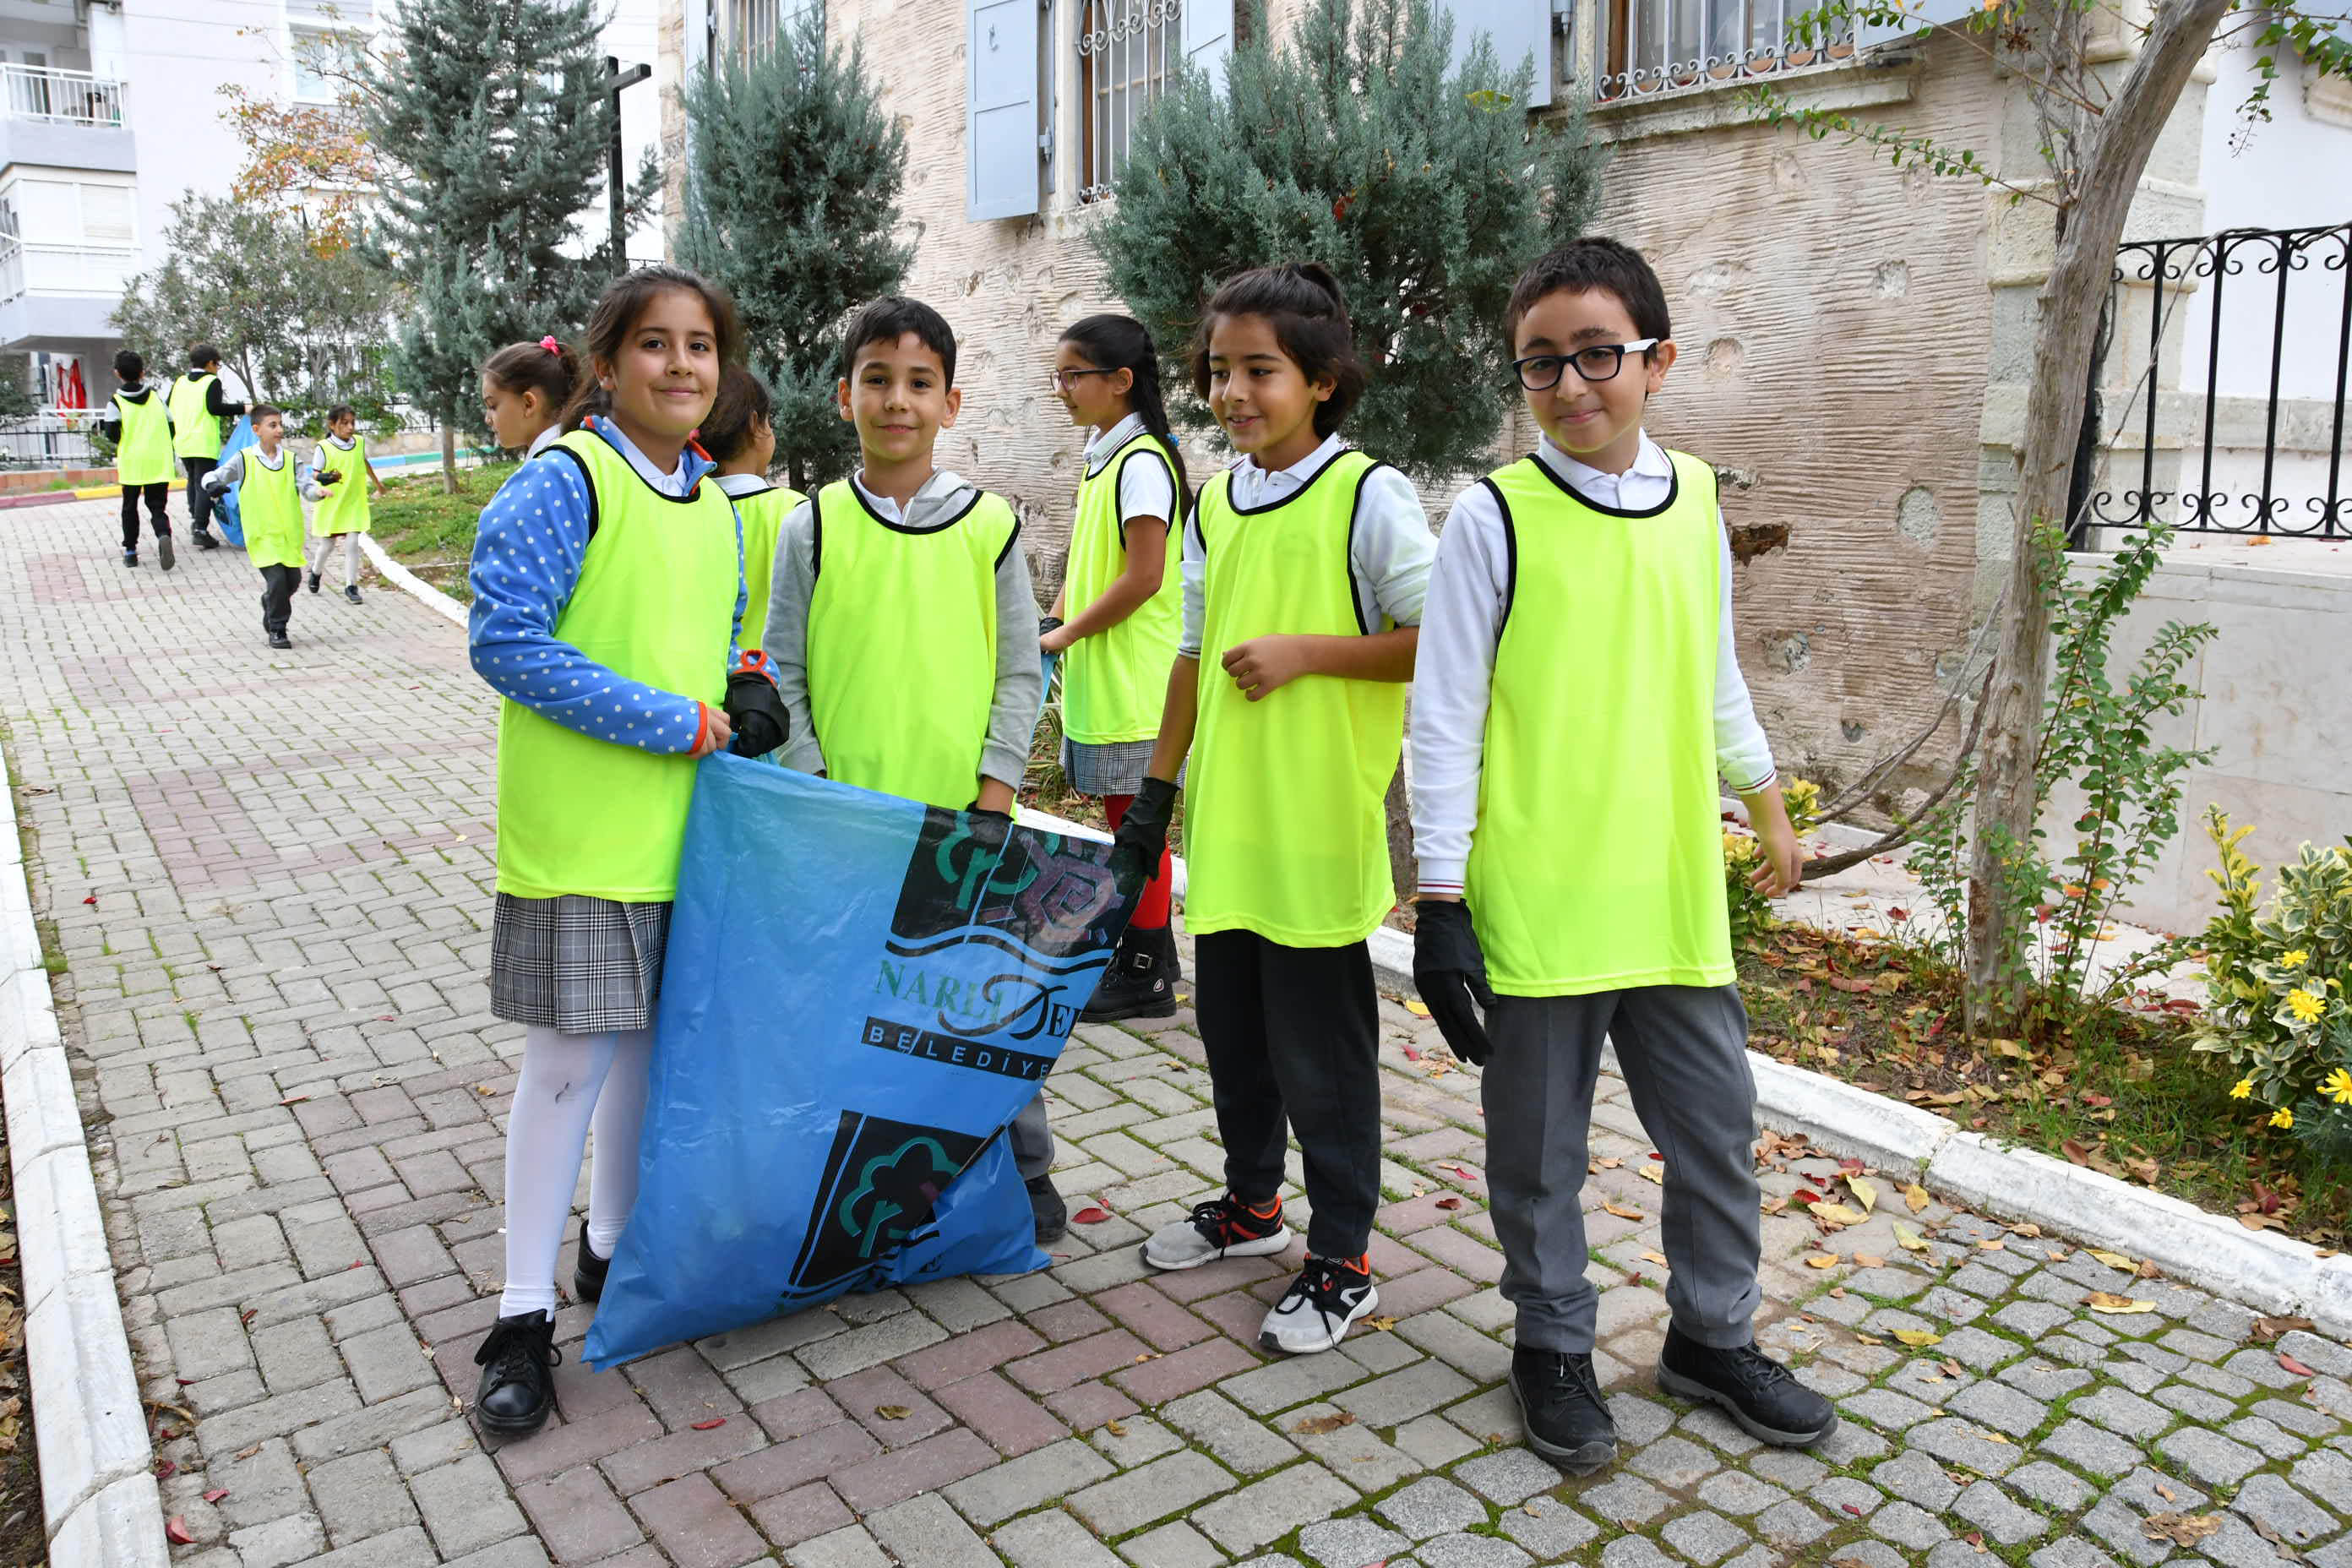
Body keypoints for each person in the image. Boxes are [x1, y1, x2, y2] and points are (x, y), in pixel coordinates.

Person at [1407, 237, 1834, 1472]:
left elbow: (1712, 670)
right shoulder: (1493, 516)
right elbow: (1443, 719)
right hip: (1539, 897)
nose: (1572, 384)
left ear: (1658, 360)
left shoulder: (1695, 498)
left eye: (1599, 353)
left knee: (1714, 1130)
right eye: (1541, 363)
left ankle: (1711, 1336)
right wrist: (1442, 901)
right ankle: (1550, 1346)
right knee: (1538, 1154)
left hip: (1667, 886)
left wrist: (1767, 805)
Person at [462, 265, 787, 1441]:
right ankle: (518, 1317)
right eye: (657, 345)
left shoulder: (712, 500)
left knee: (645, 1064)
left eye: (702, 345)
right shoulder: (567, 480)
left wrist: (745, 690)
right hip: (582, 838)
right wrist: (675, 719)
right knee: (566, 1070)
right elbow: (505, 642)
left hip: (680, 840)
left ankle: (609, 1250)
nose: (683, 366)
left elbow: (719, 642)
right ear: (607, 363)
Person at [1111, 264, 1435, 1356]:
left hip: (1318, 835)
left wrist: (1310, 655)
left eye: (1261, 370)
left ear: (1324, 382)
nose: (1234, 392)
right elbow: (1193, 657)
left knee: (1325, 1062)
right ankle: (1253, 1208)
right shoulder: (1214, 501)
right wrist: (1154, 804)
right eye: (1219, 371)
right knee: (1233, 1040)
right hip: (1233, 836)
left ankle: (1340, 1259)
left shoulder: (1366, 496)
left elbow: (1443, 642)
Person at [761, 297, 1044, 1229]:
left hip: (961, 823)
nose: (898, 400)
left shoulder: (990, 525)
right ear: (845, 397)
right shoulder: (813, 526)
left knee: (973, 1006)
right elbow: (783, 668)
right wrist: (816, 786)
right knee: (852, 1005)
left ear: (952, 402)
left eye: (919, 382)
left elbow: (1018, 667)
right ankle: (854, 1183)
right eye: (877, 380)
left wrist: (995, 792)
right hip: (843, 824)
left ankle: (1023, 1170)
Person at [1042, 314, 1188, 1022]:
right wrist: (1056, 616)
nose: (1062, 390)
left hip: (1140, 679)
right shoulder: (1105, 456)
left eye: (1074, 375)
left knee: (1138, 823)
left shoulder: (1142, 463)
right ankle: (1153, 949)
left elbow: (1146, 576)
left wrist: (1064, 633)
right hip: (1109, 675)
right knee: (1122, 817)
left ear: (1121, 382)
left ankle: (1144, 973)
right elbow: (1085, 557)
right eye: (1060, 375)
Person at [699, 364, 803, 672]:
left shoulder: (681, 511)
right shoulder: (796, 512)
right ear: (756, 424)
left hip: (699, 699)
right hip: (775, 695)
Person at [200, 405, 329, 649]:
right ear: (257, 429)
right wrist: (211, 487)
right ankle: (278, 629)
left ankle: (270, 601)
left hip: (288, 535)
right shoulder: (244, 459)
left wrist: (319, 492)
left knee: (292, 581)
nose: (279, 429)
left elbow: (307, 488)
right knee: (278, 580)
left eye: (280, 424)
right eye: (273, 425)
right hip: (261, 535)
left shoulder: (291, 460)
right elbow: (212, 476)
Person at [100, 349, 177, 571]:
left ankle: (131, 551)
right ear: (143, 373)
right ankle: (163, 534)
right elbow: (171, 425)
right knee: (157, 506)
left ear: (117, 373)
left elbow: (112, 434)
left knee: (129, 507)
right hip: (158, 460)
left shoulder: (115, 402)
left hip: (133, 461)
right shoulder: (156, 398)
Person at [168, 345, 247, 549]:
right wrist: (244, 408)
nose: (218, 368)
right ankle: (201, 530)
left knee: (193, 482)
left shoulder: (180, 382)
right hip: (202, 442)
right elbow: (215, 408)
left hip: (183, 441)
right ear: (210, 363)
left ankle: (196, 521)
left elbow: (169, 408)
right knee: (205, 484)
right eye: (217, 364)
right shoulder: (212, 381)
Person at [307, 405, 387, 603]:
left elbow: (364, 463)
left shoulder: (358, 442)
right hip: (332, 502)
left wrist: (378, 484)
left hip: (354, 501)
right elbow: (315, 473)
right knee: (327, 544)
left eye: (352, 423)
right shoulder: (323, 447)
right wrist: (326, 477)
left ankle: (351, 586)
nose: (350, 427)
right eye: (344, 423)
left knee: (352, 543)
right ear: (332, 425)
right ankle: (316, 572)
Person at [481, 335, 580, 462]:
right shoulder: (574, 451)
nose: (487, 419)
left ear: (528, 404)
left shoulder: (546, 467)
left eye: (492, 406)